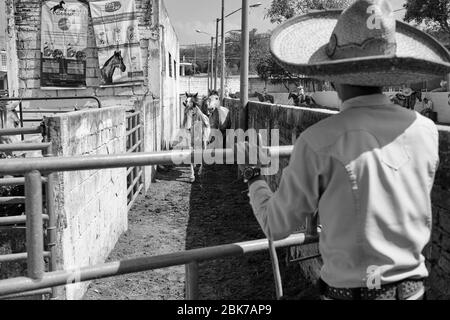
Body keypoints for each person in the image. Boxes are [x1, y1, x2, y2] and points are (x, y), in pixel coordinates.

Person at [238, 0, 449, 300]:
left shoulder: (317, 141)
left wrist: (253, 175)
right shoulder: (425, 130)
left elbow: (276, 225)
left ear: (331, 74)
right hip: (414, 291)